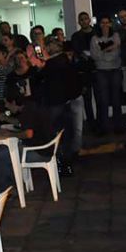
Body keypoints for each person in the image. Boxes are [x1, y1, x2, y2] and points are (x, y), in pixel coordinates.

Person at [38, 39, 83, 174]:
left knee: (56, 132)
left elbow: (42, 80)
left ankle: (61, 161)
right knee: (68, 132)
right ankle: (68, 160)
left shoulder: (53, 64)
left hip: (56, 103)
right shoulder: (65, 61)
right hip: (67, 101)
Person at [0, 94, 54, 194]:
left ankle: (4, 191)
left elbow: (28, 134)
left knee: (2, 156)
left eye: (7, 105)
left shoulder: (28, 110)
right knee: (5, 149)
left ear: (13, 102)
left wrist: (10, 134)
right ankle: (14, 185)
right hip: (45, 148)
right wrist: (5, 118)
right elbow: (20, 123)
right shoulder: (30, 106)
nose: (8, 109)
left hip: (40, 152)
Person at [90, 16, 122, 133]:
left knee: (116, 99)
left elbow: (116, 53)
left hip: (115, 69)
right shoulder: (94, 38)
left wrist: (102, 50)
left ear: (110, 24)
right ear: (99, 24)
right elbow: (94, 55)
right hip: (101, 71)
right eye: (102, 22)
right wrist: (108, 49)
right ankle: (103, 127)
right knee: (103, 101)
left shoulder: (116, 36)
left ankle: (118, 127)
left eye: (107, 22)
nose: (105, 24)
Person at [71, 11, 96, 125]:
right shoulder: (76, 36)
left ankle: (102, 122)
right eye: (81, 19)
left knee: (100, 97)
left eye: (86, 18)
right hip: (84, 70)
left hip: (98, 68)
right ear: (79, 22)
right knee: (87, 98)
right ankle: (91, 123)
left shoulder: (97, 33)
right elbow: (77, 51)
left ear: (89, 20)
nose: (84, 21)